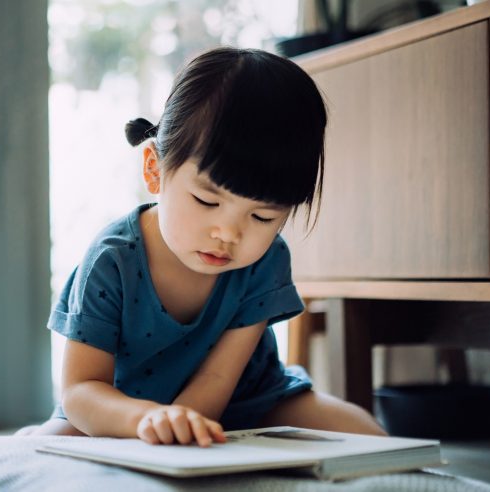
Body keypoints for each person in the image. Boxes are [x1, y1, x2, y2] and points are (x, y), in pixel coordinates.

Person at [20, 47, 385, 446]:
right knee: (44, 447)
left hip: (248, 399)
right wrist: (150, 420)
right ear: (154, 169)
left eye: (262, 217)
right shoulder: (113, 260)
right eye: (207, 201)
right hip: (123, 407)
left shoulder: (267, 259)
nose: (228, 234)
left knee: (368, 436)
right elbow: (80, 391)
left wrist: (188, 428)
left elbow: (217, 378)